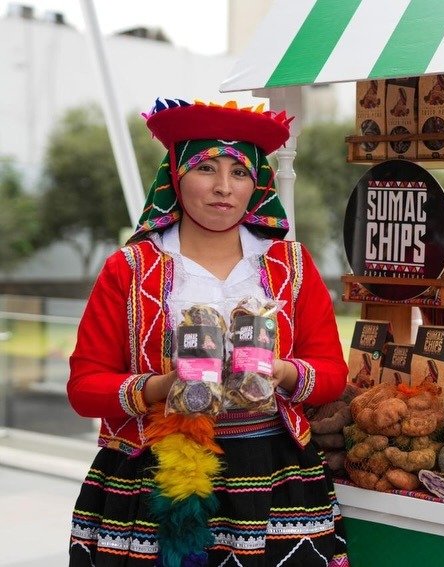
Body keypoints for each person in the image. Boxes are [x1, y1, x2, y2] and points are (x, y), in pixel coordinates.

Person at [67, 98, 349, 566]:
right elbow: (83, 388)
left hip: (272, 476)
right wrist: (164, 386)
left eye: (239, 172)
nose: (224, 187)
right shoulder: (129, 269)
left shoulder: (290, 265)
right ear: (175, 178)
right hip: (155, 477)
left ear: (257, 184)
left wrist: (279, 371)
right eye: (206, 169)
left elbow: (332, 374)